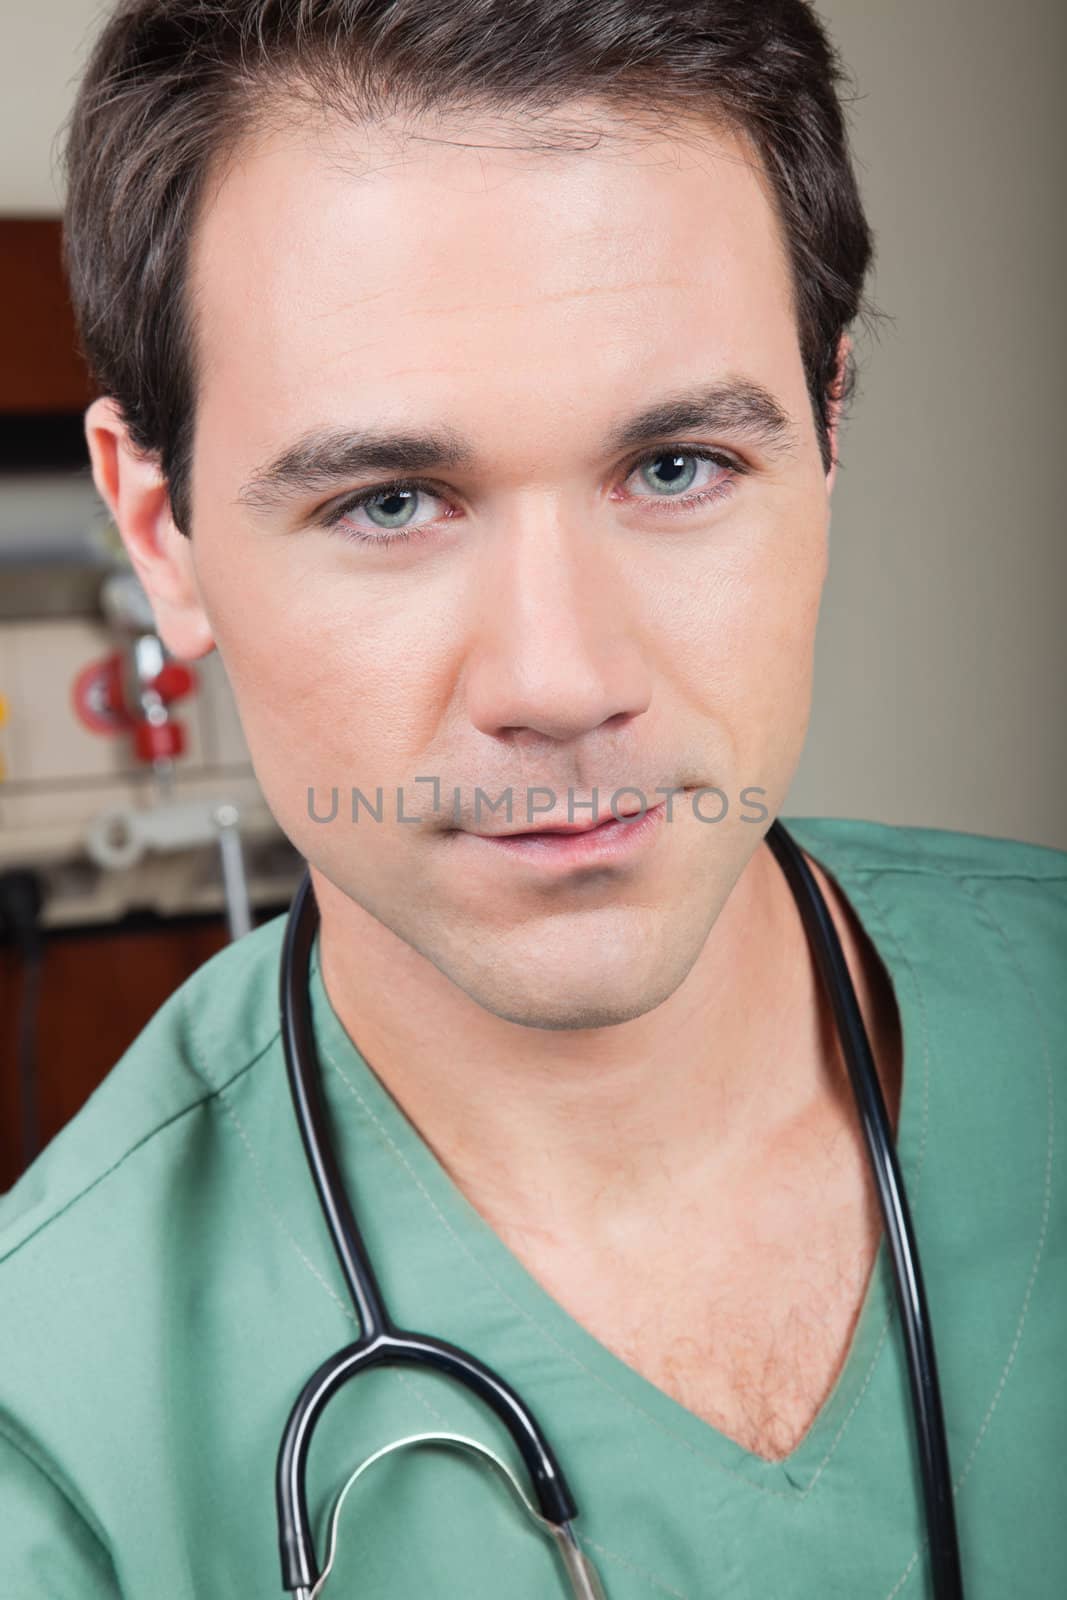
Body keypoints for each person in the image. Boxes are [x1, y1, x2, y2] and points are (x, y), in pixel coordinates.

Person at [1, 1, 1064, 1595]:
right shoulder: (56, 1437)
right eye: (393, 501)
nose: (562, 681)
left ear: (830, 429)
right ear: (161, 534)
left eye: (677, 467)